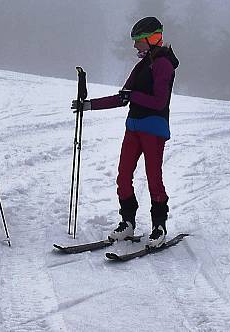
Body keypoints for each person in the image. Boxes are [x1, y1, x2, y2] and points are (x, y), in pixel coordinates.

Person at [72, 16, 179, 248]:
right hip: (133, 128)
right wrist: (88, 105)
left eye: (138, 40)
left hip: (154, 128)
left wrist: (134, 97)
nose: (134, 46)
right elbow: (123, 96)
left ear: (152, 39)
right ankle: (127, 223)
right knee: (123, 175)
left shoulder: (164, 65)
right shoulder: (142, 65)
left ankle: (159, 226)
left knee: (153, 178)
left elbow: (159, 102)